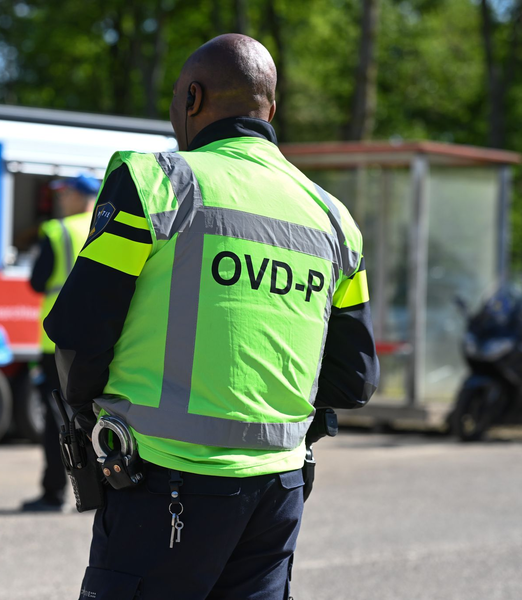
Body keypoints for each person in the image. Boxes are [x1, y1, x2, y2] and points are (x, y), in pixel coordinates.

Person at [45, 34, 379, 599]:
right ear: (270, 110)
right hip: (278, 490)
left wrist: (87, 424)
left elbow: (78, 335)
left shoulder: (156, 183)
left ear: (192, 98)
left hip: (161, 482)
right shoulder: (334, 218)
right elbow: (355, 380)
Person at [21, 174, 99, 512]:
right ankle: (103, 491)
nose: (60, 199)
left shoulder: (58, 231)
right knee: (96, 418)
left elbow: (37, 282)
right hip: (98, 339)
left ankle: (54, 493)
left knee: (59, 422)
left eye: (65, 193)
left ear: (79, 195)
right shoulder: (107, 226)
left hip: (57, 342)